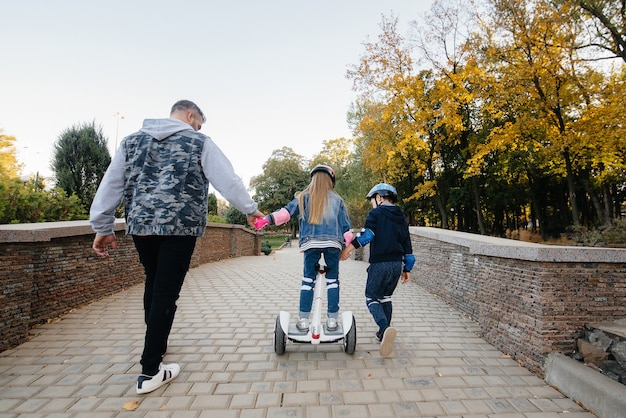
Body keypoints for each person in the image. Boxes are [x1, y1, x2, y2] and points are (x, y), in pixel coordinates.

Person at [89, 100, 263, 394]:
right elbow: (227, 179)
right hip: (180, 227)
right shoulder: (199, 141)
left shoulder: (131, 142)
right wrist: (249, 208)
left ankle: (157, 341)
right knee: (166, 292)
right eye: (197, 123)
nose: (197, 128)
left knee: (154, 282)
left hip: (142, 226)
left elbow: (111, 184)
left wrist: (102, 227)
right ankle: (150, 370)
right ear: (190, 115)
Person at [256, 165, 352, 332]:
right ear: (331, 181)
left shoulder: (303, 198)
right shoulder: (338, 200)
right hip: (333, 245)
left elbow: (285, 213)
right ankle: (332, 321)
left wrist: (266, 220)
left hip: (311, 244)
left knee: (308, 281)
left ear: (312, 179)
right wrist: (347, 248)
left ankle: (303, 320)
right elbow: (346, 229)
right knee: (332, 281)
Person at [340, 183, 415, 357]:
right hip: (397, 265)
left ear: (379, 197)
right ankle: (383, 334)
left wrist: (346, 250)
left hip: (380, 264)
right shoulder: (401, 216)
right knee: (385, 297)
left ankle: (384, 327)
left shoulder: (376, 213)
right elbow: (407, 243)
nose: (372, 204)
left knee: (371, 297)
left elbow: (367, 236)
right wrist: (407, 268)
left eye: (372, 200)